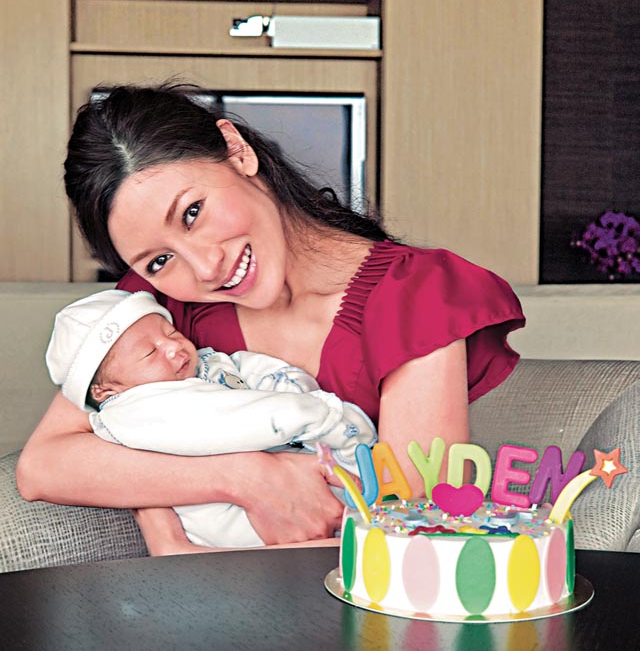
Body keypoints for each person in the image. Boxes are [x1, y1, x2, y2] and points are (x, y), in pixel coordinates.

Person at [17, 83, 525, 556]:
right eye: (159, 260)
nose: (206, 268)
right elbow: (44, 465)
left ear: (237, 151)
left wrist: (174, 534)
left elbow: (410, 529)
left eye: (192, 213)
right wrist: (244, 477)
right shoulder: (158, 311)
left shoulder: (415, 295)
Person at [45, 288, 376, 548]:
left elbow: (249, 370)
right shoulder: (137, 410)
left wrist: (287, 386)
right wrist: (318, 415)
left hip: (288, 476)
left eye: (170, 332)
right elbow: (230, 420)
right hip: (240, 524)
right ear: (105, 390)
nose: (173, 347)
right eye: (150, 352)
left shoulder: (200, 367)